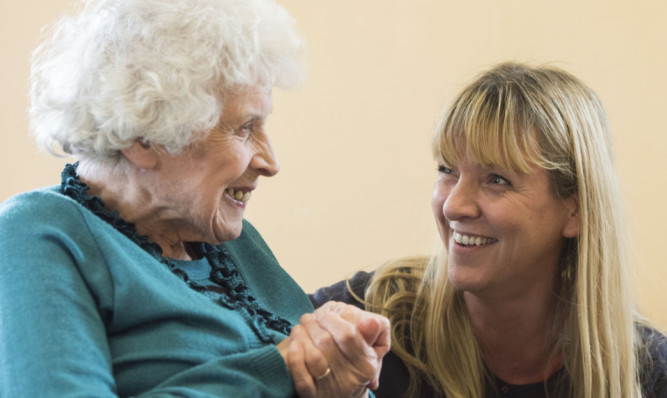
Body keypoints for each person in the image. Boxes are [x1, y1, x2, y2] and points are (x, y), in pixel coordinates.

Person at [0, 0, 390, 396]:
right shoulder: (39, 234)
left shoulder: (235, 243)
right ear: (144, 134)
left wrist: (345, 370)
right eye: (243, 128)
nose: (270, 162)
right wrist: (278, 373)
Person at [312, 62, 667, 398]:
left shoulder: (647, 373)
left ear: (575, 210)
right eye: (447, 170)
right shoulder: (370, 319)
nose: (453, 205)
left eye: (497, 180)